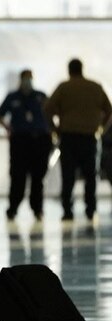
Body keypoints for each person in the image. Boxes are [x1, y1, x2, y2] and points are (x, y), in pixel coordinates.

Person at [44, 58, 112, 220]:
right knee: (91, 176)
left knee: (68, 176)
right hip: (90, 138)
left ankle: (68, 210)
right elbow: (109, 110)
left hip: (68, 137)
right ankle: (90, 209)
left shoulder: (64, 87)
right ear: (82, 69)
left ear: (69, 70)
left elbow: (47, 109)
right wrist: (101, 128)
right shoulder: (95, 87)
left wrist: (55, 130)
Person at [0, 69, 51, 220]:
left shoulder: (40, 96)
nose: (28, 82)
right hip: (20, 140)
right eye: (25, 79)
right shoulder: (13, 97)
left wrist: (51, 130)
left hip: (39, 140)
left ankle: (37, 209)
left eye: (30, 79)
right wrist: (8, 127)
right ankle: (13, 208)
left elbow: (51, 113)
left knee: (38, 177)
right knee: (17, 176)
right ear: (20, 80)